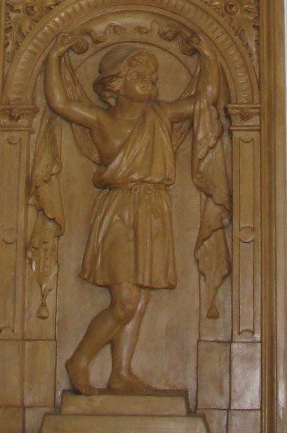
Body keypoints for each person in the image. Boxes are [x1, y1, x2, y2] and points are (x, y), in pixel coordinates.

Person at [44, 36, 219, 395]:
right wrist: (54, 57)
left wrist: (209, 57)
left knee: (139, 300)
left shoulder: (161, 114)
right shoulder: (101, 119)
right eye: (138, 73)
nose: (149, 79)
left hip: (154, 210)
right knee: (124, 302)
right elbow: (60, 103)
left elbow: (205, 98)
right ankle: (79, 360)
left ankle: (120, 374)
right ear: (114, 83)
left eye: (152, 75)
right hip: (120, 211)